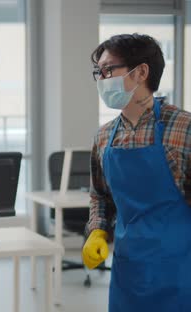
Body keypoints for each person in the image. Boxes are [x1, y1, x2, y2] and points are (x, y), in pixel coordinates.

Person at [83, 33, 191, 311]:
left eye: (108, 70)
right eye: (98, 72)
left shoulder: (183, 128)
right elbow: (100, 197)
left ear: (141, 71)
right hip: (128, 269)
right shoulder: (105, 137)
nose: (101, 80)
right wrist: (97, 231)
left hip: (180, 270)